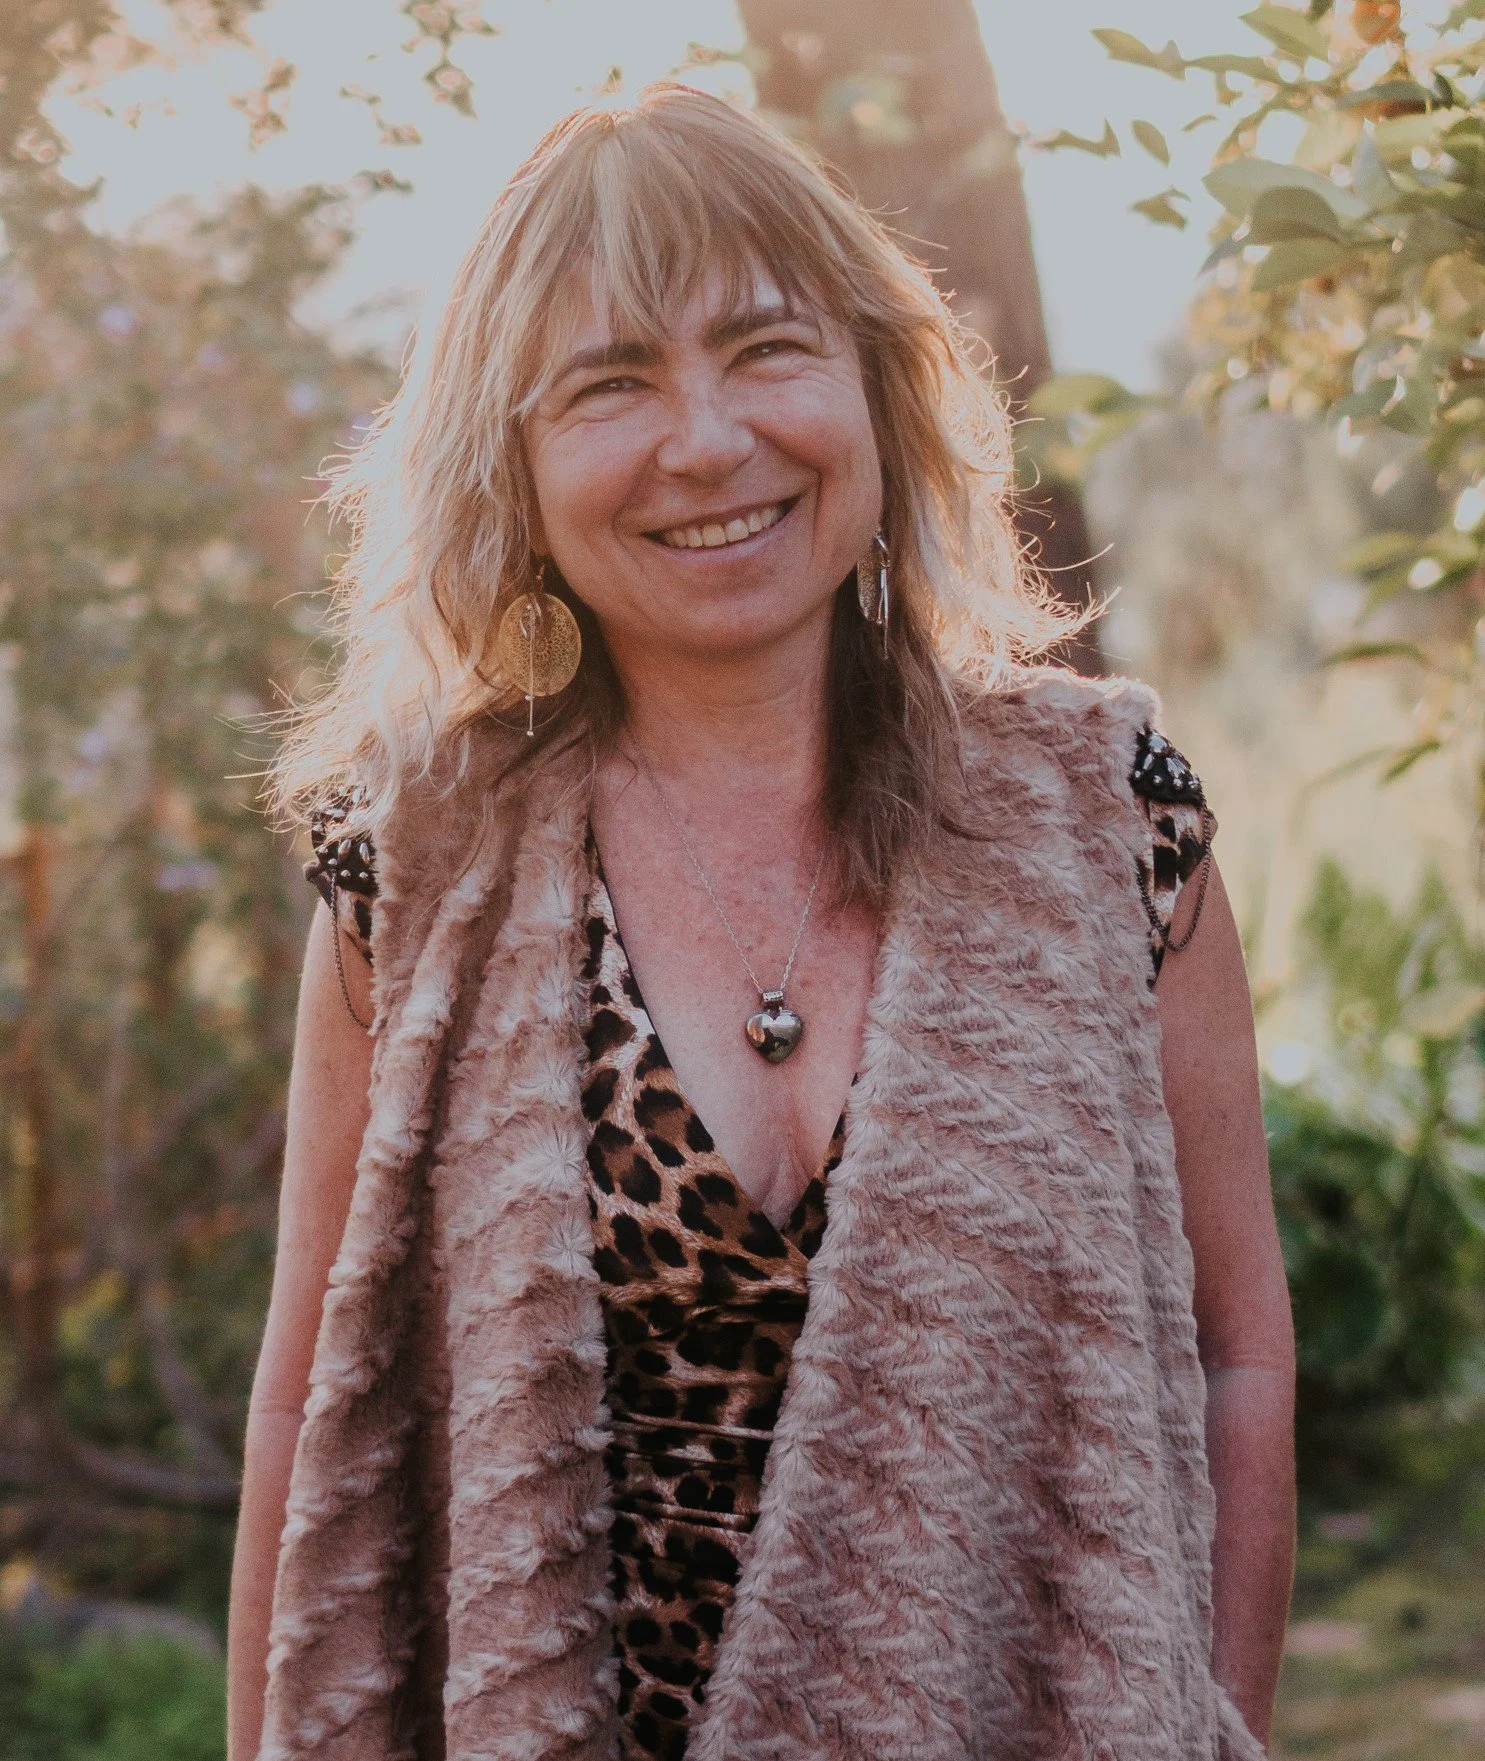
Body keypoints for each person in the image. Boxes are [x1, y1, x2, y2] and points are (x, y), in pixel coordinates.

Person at [228, 84, 1295, 1761]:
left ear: (877, 381)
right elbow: (314, 1410)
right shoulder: (414, 869)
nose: (710, 439)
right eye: (611, 385)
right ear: (512, 463)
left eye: (764, 349)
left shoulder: (1113, 815)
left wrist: (1207, 1719)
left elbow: (1237, 1359)